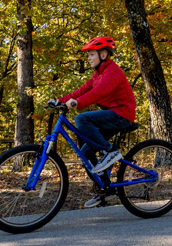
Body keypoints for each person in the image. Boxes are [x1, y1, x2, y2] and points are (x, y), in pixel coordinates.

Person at [57, 36, 136, 208]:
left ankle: (109, 152)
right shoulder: (97, 74)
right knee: (85, 154)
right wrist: (60, 101)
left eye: (92, 54)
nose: (89, 58)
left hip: (122, 114)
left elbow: (100, 92)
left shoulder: (112, 71)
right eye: (88, 55)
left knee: (81, 118)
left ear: (104, 54)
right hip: (112, 116)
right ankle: (104, 191)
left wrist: (78, 103)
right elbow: (82, 90)